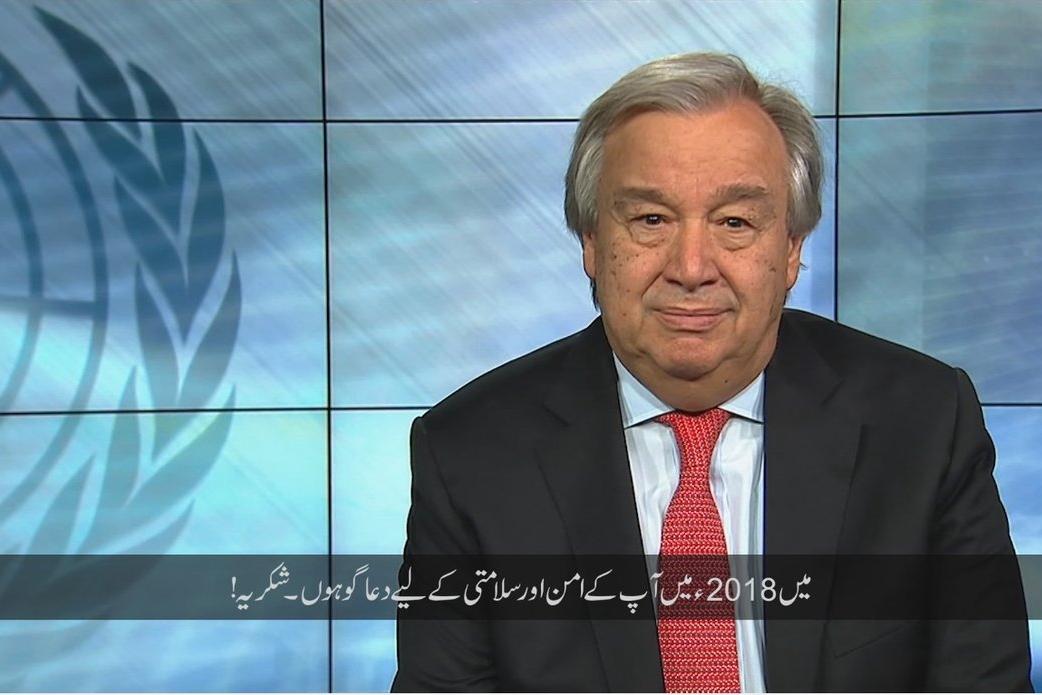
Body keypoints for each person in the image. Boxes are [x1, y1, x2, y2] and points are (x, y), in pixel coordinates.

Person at [390, 53, 1030, 692]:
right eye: (651, 220)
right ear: (591, 242)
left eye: (735, 222)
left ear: (791, 248)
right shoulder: (471, 453)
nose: (691, 268)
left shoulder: (922, 424)